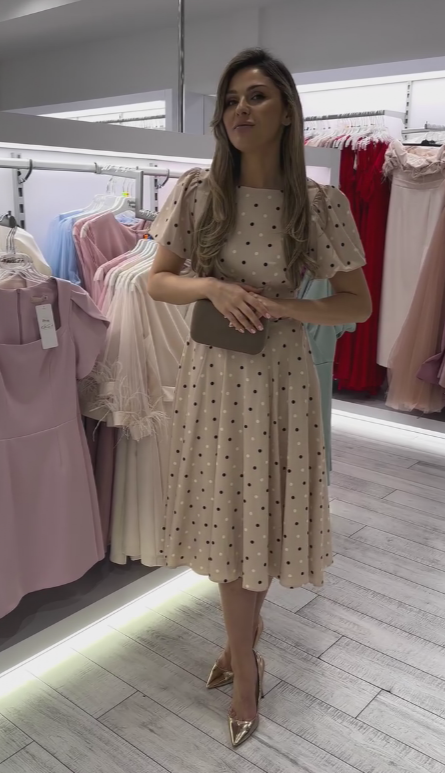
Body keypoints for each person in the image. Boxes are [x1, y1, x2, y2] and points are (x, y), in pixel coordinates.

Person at [147, 47, 371, 747]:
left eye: (256, 96)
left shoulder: (319, 203)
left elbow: (355, 302)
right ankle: (246, 663)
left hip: (280, 378)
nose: (239, 110)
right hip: (215, 374)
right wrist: (213, 287)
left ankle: (241, 649)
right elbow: (157, 279)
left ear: (287, 111)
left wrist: (286, 307)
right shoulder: (198, 191)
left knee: (262, 513)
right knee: (228, 516)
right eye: (230, 100)